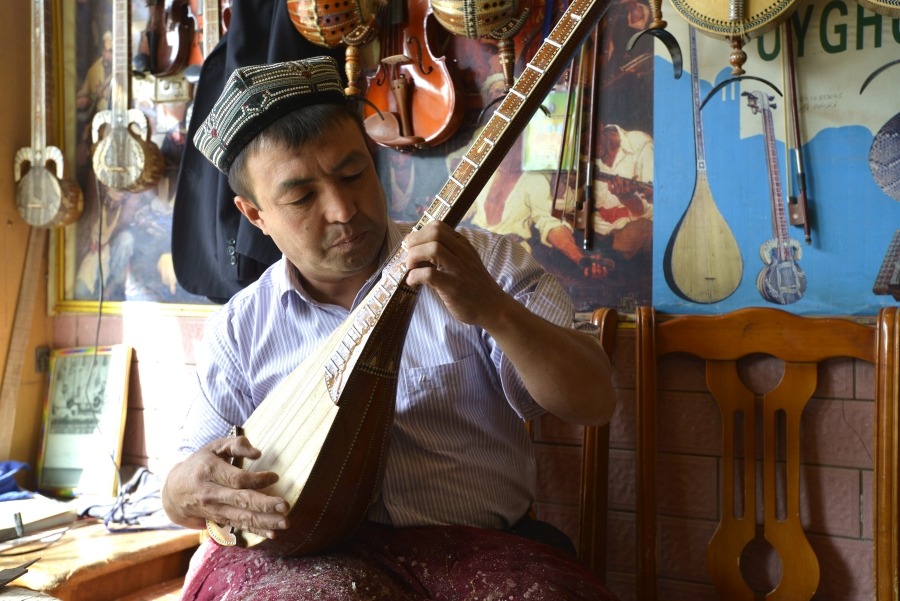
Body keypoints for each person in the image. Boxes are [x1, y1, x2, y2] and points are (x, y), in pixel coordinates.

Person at [162, 56, 618, 600]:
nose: (342, 209)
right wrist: (185, 489)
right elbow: (183, 488)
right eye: (301, 197)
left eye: (353, 174)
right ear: (255, 214)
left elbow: (593, 402)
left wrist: (495, 310)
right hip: (309, 563)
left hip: (477, 550)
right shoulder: (240, 330)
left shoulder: (485, 265)